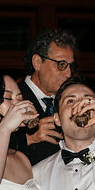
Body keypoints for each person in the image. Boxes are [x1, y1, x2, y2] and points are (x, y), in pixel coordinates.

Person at [18, 29, 78, 165]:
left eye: (71, 66)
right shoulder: (10, 99)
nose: (68, 73)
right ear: (37, 62)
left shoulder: (72, 101)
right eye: (61, 65)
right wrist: (29, 139)